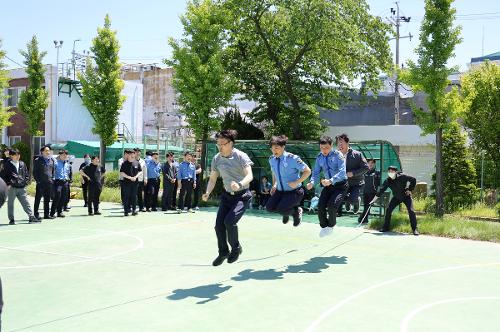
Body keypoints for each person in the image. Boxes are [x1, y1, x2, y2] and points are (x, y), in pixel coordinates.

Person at [203, 129, 254, 266]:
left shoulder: (240, 156)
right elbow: (213, 179)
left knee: (229, 222)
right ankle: (223, 252)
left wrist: (239, 184)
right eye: (218, 143)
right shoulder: (217, 158)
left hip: (241, 196)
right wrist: (207, 192)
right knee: (218, 226)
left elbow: (249, 176)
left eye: (222, 143)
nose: (220, 146)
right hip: (226, 197)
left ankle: (236, 248)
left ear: (230, 143)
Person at [306, 136, 347, 237]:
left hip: (340, 185)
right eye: (322, 148)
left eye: (326, 148)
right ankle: (324, 226)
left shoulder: (338, 155)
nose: (324, 150)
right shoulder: (319, 157)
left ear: (331, 146)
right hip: (328, 186)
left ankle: (331, 226)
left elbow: (342, 172)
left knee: (332, 206)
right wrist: (311, 182)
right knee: (320, 206)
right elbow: (315, 173)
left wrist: (331, 180)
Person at [266, 135, 311, 226]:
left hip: (294, 191)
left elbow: (307, 171)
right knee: (269, 208)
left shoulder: (292, 158)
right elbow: (274, 172)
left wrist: (296, 182)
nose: (274, 151)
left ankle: (296, 212)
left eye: (277, 148)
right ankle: (286, 212)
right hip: (280, 191)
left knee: (281, 209)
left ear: (283, 147)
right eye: (272, 148)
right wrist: (275, 185)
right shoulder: (272, 159)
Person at [371, 166, 419, 235]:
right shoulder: (388, 181)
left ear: (396, 172)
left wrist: (409, 189)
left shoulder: (402, 176)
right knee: (388, 210)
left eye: (392, 171)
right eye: (389, 171)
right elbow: (381, 191)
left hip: (406, 196)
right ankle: (385, 227)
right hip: (396, 197)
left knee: (411, 211)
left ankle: (415, 229)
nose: (390, 173)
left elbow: (413, 179)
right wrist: (373, 200)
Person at [0, 149, 39, 224]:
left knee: (26, 203)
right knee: (10, 204)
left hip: (21, 187)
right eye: (15, 155)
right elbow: (3, 176)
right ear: (11, 156)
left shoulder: (22, 164)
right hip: (12, 188)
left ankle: (31, 217)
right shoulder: (7, 164)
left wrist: (25, 182)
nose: (18, 156)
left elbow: (26, 174)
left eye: (19, 154)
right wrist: (8, 184)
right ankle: (11, 219)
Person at [336, 133, 368, 216]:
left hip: (356, 183)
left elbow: (366, 168)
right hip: (343, 183)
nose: (340, 144)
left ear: (347, 143)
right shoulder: (335, 155)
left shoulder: (357, 154)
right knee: (337, 198)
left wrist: (353, 173)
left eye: (341, 142)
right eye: (338, 143)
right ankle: (349, 201)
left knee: (352, 199)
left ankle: (355, 200)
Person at [33, 145, 55, 220]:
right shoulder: (37, 160)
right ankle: (36, 214)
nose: (48, 152)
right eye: (46, 151)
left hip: (49, 183)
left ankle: (46, 214)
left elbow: (53, 171)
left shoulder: (51, 160)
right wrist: (38, 181)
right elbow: (35, 172)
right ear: (42, 152)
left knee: (47, 199)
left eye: (48, 151)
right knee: (38, 199)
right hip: (41, 183)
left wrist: (52, 179)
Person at [120, 149, 142, 217]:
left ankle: (134, 210)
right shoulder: (124, 163)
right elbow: (122, 173)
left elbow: (140, 171)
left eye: (134, 154)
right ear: (128, 155)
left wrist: (135, 177)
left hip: (135, 183)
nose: (133, 155)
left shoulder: (137, 163)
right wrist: (129, 177)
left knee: (134, 197)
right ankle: (126, 211)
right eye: (131, 154)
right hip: (126, 183)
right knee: (126, 197)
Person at [358, 158, 381, 224]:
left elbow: (380, 183)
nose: (370, 164)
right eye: (369, 163)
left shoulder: (377, 172)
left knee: (368, 206)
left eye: (372, 163)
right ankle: (364, 219)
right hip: (365, 192)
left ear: (374, 164)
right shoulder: (365, 172)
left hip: (373, 192)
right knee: (366, 206)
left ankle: (362, 218)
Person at [50, 150, 71, 218]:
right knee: (57, 197)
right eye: (63, 154)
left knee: (63, 198)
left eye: (66, 155)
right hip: (58, 182)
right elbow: (52, 172)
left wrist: (68, 181)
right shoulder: (56, 163)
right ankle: (52, 212)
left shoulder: (67, 164)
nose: (65, 156)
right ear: (60, 155)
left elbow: (68, 173)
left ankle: (60, 212)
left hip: (65, 182)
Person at [134, 148, 148, 212]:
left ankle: (141, 207)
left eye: (138, 152)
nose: (137, 153)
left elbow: (145, 171)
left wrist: (145, 179)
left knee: (139, 194)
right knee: (132, 194)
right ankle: (130, 207)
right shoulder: (131, 161)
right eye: (136, 152)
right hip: (133, 180)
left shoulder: (143, 161)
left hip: (140, 180)